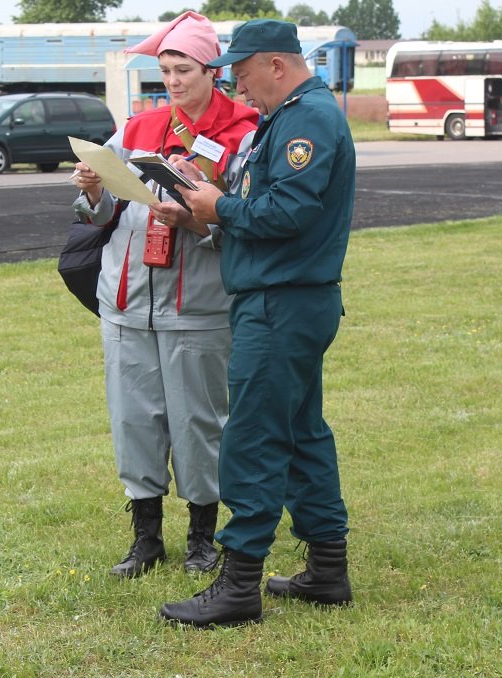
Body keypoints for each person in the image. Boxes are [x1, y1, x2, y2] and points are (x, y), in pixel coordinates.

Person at [159, 19, 357, 627]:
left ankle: (239, 583)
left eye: (243, 75)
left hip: (280, 302)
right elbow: (270, 206)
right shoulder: (291, 114)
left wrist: (218, 205)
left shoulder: (306, 118)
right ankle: (327, 569)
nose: (238, 88)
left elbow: (290, 211)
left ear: (276, 64)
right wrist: (207, 208)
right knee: (300, 433)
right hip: (287, 298)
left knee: (253, 437)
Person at [70, 11, 259, 579]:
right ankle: (145, 537)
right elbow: (100, 212)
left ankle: (202, 537)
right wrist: (94, 189)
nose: (173, 81)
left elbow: (251, 222)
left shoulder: (246, 133)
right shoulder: (137, 127)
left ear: (213, 71)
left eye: (184, 70)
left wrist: (197, 220)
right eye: (166, 70)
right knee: (134, 419)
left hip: (198, 304)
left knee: (200, 422)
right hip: (126, 300)